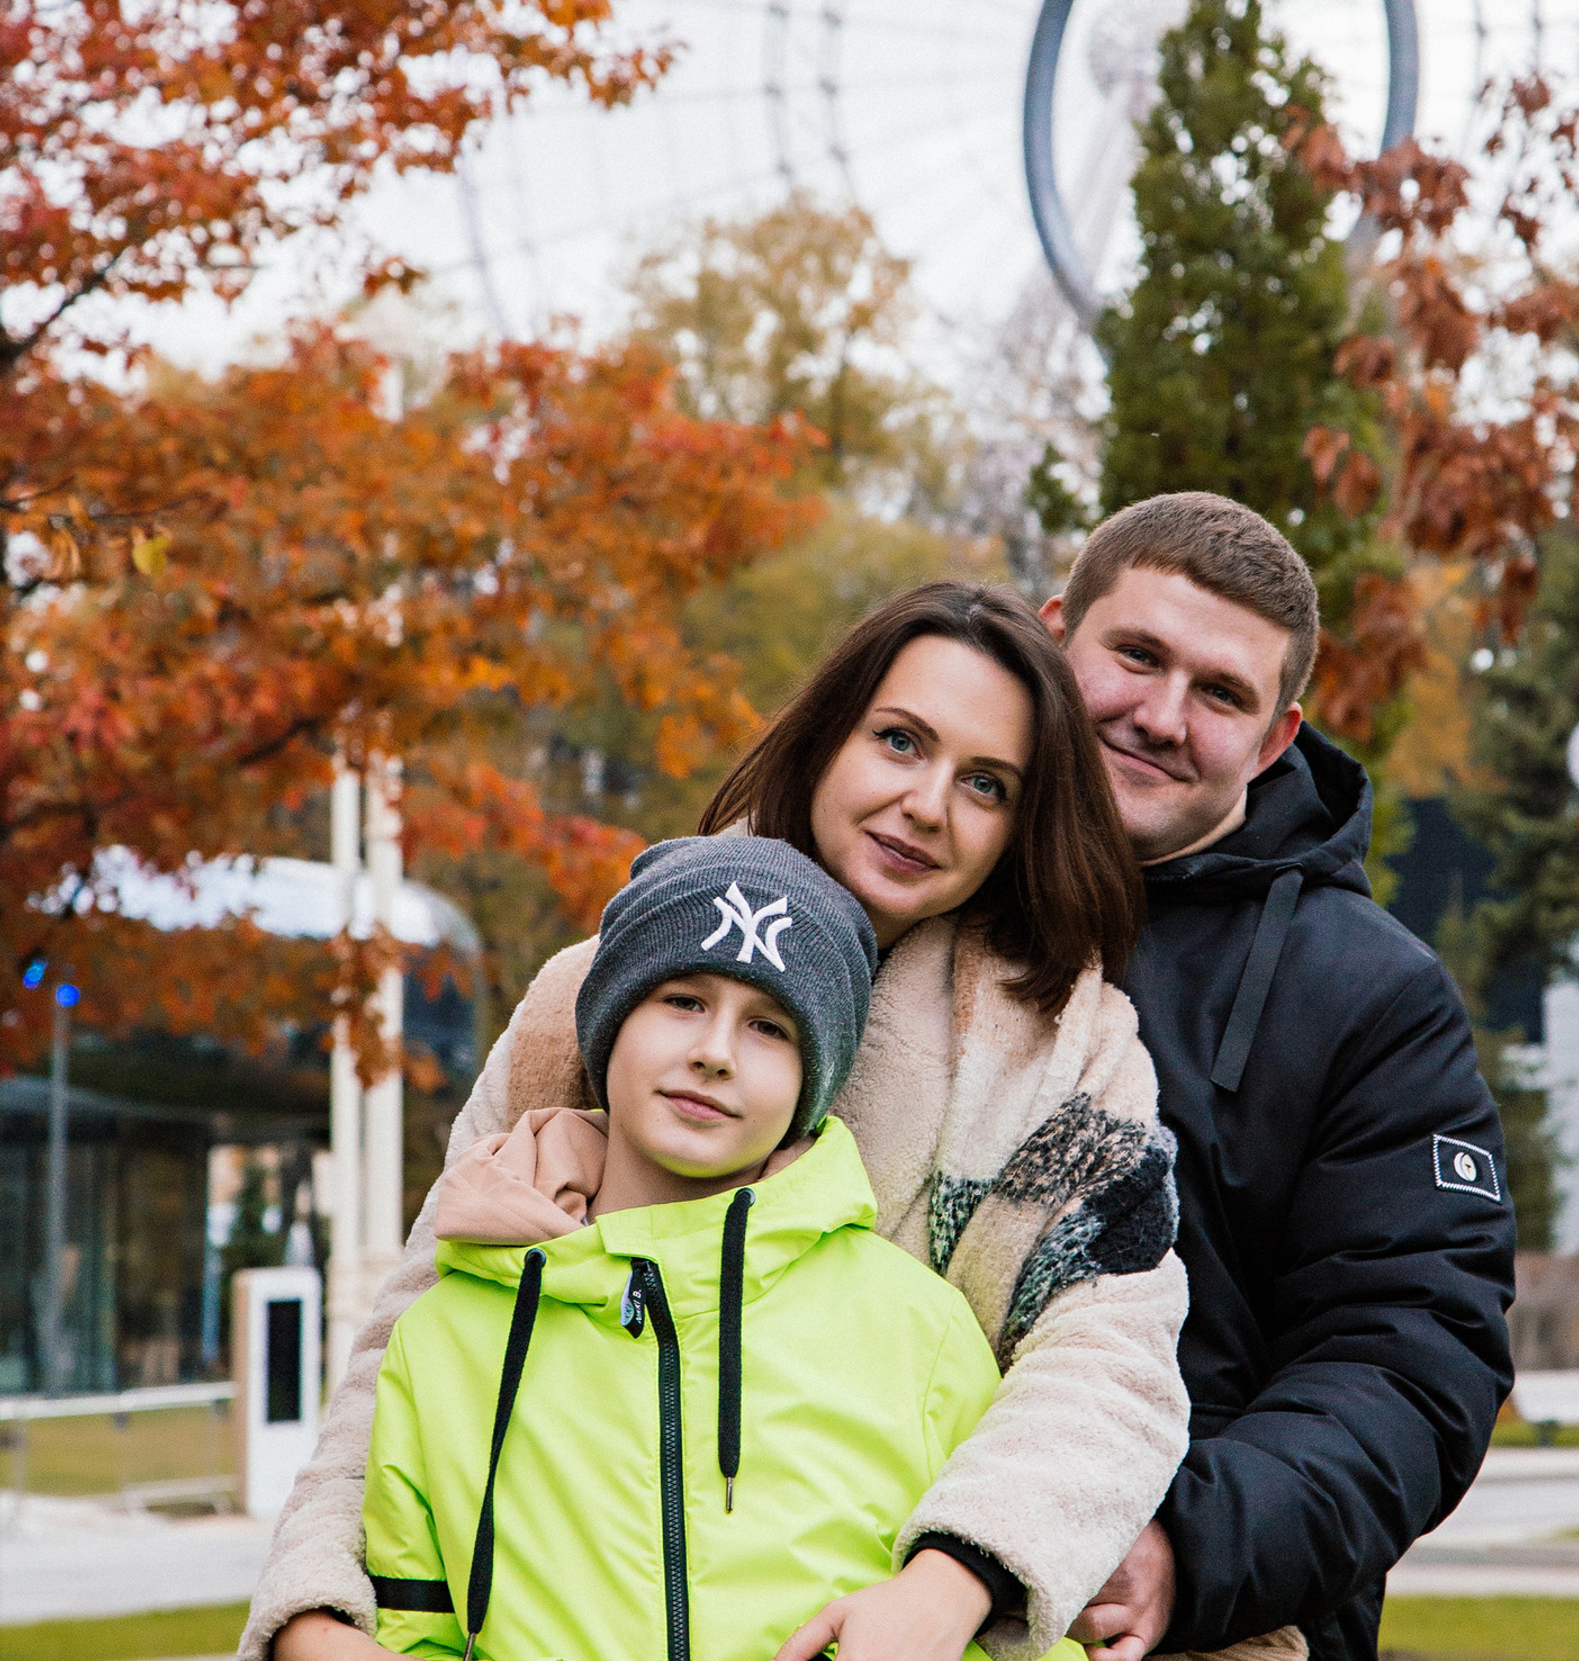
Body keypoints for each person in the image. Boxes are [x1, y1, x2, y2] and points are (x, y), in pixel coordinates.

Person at [246, 584, 1189, 1661]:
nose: (928, 804)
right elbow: (417, 1341)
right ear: (826, 740)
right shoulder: (588, 994)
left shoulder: (1067, 1057)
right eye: (898, 740)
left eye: (986, 783)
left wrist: (953, 1578)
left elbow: (1109, 1356)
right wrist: (312, 1609)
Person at [364, 834, 1073, 1661]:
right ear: (610, 1022)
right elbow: (411, 1635)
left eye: (769, 1026)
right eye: (683, 1001)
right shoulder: (443, 1338)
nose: (714, 1053)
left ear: (814, 1080)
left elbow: (1021, 1645)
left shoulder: (921, 1331)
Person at [1044, 494, 1515, 1661]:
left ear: (1273, 740)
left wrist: (1188, 1547)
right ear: (1054, 637)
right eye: (1136, 655)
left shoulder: (1370, 997)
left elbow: (1412, 1357)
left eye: (1220, 693)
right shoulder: (907, 889)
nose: (1161, 717)